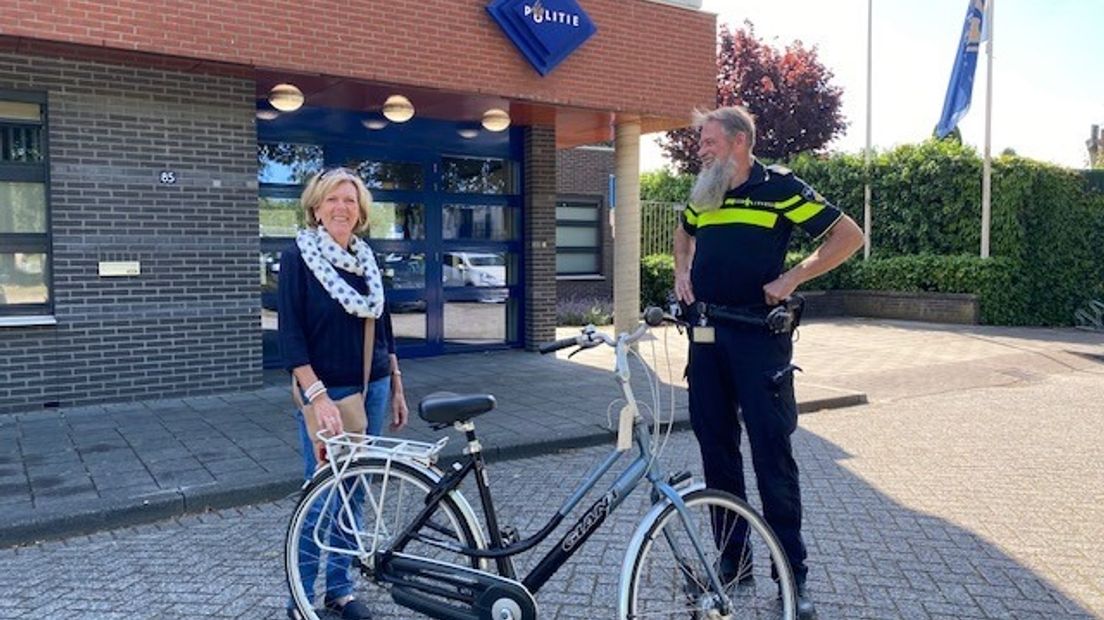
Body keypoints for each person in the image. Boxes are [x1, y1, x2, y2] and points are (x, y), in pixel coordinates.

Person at [673, 106, 863, 619]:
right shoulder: (706, 190)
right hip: (706, 337)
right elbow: (684, 231)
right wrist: (681, 270)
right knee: (716, 453)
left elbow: (849, 236)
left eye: (709, 141)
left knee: (771, 456)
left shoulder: (780, 188)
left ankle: (791, 576)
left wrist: (793, 278)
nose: (702, 149)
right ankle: (733, 565)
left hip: (759, 339)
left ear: (738, 142)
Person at [278, 167, 409, 620]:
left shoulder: (367, 259)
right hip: (326, 395)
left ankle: (340, 589)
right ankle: (300, 595)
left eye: (350, 201)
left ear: (361, 212)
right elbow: (290, 337)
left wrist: (395, 384)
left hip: (372, 389)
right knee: (320, 496)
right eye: (333, 199)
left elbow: (386, 329)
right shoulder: (298, 258)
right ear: (316, 207)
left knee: (355, 492)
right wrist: (317, 397)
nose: (341, 208)